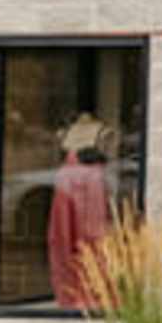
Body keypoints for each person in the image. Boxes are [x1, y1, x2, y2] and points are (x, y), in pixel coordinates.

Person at [48, 113, 119, 300]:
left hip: (72, 179)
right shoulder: (95, 170)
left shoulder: (100, 132)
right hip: (79, 182)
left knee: (76, 238)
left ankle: (84, 293)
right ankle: (79, 293)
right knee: (71, 239)